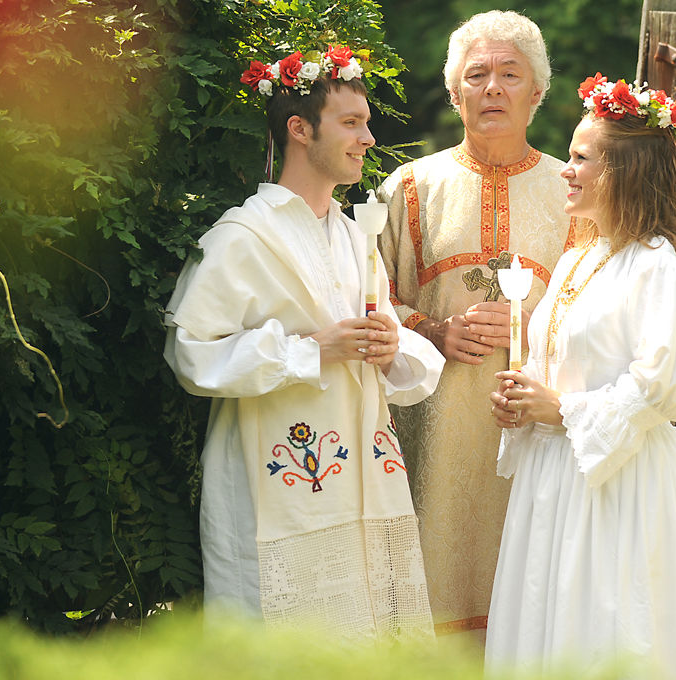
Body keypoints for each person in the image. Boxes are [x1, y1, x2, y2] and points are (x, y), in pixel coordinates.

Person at [163, 44, 444, 640]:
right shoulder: (241, 238)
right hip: (275, 484)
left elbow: (388, 341)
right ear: (298, 129)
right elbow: (192, 353)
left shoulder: (354, 235)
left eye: (367, 123)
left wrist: (392, 349)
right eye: (351, 123)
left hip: (363, 482)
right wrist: (311, 350)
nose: (368, 138)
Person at [484, 74, 676, 676]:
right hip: (554, 478)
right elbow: (553, 363)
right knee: (546, 617)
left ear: (623, 173)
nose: (565, 169)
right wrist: (523, 402)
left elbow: (661, 385)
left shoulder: (656, 268)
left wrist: (560, 410)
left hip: (620, 482)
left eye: (580, 158)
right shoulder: (576, 259)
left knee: (609, 622)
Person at [376, 10, 575, 638]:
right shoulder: (409, 188)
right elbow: (367, 303)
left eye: (510, 75)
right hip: (433, 440)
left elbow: (600, 306)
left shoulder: (575, 193)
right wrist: (435, 331)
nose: (493, 88)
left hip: (542, 438)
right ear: (454, 92)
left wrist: (536, 321)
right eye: (477, 75)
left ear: (537, 93)